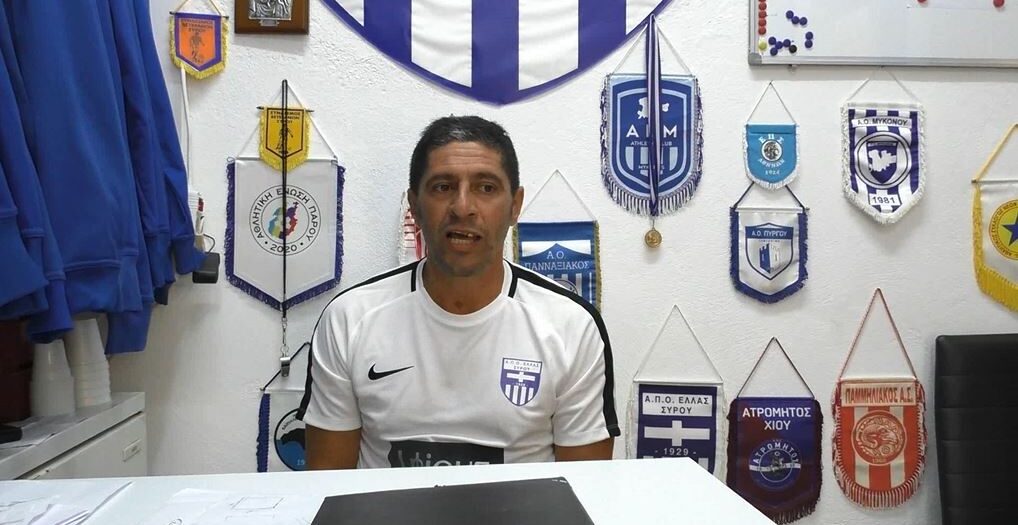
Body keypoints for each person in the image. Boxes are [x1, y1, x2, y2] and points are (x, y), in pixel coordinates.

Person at [299, 116, 619, 469]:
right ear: (414, 205)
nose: (463, 207)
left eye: (486, 188)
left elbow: (583, 487)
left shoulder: (572, 326)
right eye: (442, 187)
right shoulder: (350, 319)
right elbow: (328, 482)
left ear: (515, 206)